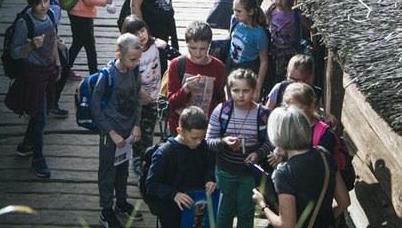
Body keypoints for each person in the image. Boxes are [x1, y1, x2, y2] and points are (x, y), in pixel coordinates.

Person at [252, 106, 349, 228]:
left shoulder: (285, 172)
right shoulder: (323, 154)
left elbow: (286, 225)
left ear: (277, 135)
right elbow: (344, 201)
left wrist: (263, 205)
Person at [3, 0, 61, 179]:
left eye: (45, 1)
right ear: (30, 3)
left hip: (48, 70)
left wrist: (58, 64)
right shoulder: (24, 23)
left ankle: (26, 145)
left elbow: (53, 39)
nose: (43, 6)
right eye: (38, 3)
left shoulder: (50, 14)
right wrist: (30, 46)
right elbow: (15, 52)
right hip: (33, 74)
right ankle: (38, 159)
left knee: (40, 113)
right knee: (40, 116)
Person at [206, 69, 272, 228]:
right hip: (225, 172)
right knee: (224, 211)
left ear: (254, 91)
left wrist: (258, 153)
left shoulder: (263, 114)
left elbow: (270, 142)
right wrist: (224, 142)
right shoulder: (222, 111)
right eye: (236, 90)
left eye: (245, 91)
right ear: (229, 91)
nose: (240, 95)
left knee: (246, 212)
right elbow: (208, 141)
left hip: (249, 174)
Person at [92, 33, 144, 228]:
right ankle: (106, 210)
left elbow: (138, 99)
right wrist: (111, 133)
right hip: (110, 134)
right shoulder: (107, 77)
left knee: (122, 169)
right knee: (107, 172)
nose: (136, 63)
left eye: (138, 59)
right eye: (132, 59)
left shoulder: (134, 71)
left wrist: (136, 124)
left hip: (127, 133)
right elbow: (95, 109)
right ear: (119, 55)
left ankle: (121, 202)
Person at [145, 106, 217, 228]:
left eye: (202, 137)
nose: (199, 141)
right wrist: (174, 194)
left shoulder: (202, 145)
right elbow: (152, 184)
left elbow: (207, 168)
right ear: (180, 131)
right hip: (171, 211)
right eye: (194, 138)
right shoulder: (164, 153)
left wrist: (209, 180)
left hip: (197, 208)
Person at [121, 14, 168, 177]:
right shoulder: (129, 53)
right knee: (136, 130)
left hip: (154, 97)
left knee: (147, 132)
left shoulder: (156, 45)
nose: (141, 36)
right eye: (135, 34)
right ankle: (137, 158)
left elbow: (177, 58)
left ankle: (144, 161)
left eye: (142, 30)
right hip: (136, 99)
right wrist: (139, 91)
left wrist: (166, 47)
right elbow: (124, 75)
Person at [165, 21, 226, 136]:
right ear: (186, 44)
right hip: (179, 128)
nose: (198, 53)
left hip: (206, 128)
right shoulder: (177, 65)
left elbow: (220, 99)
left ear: (209, 45)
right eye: (192, 48)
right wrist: (185, 89)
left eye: (203, 49)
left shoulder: (219, 67)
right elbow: (172, 102)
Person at [264, 0, 312, 91]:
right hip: (274, 52)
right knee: (274, 78)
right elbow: (264, 25)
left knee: (290, 78)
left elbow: (311, 28)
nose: (279, 1)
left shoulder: (296, 14)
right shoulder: (270, 12)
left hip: (291, 52)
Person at [227, 0, 270, 102]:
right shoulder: (235, 22)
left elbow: (264, 61)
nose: (235, 14)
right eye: (234, 10)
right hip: (232, 66)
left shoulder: (259, 34)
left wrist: (258, 88)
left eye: (239, 11)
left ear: (250, 11)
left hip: (248, 71)